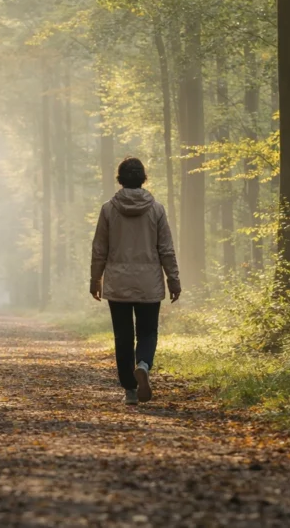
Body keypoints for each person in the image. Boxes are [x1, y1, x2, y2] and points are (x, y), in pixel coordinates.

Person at [90, 157, 181, 405]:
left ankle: (130, 391)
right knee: (148, 332)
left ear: (120, 179)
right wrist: (173, 279)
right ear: (143, 178)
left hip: (118, 284)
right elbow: (166, 249)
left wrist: (95, 279)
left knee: (123, 336)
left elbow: (99, 248)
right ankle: (143, 363)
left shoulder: (108, 209)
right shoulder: (157, 209)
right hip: (149, 283)